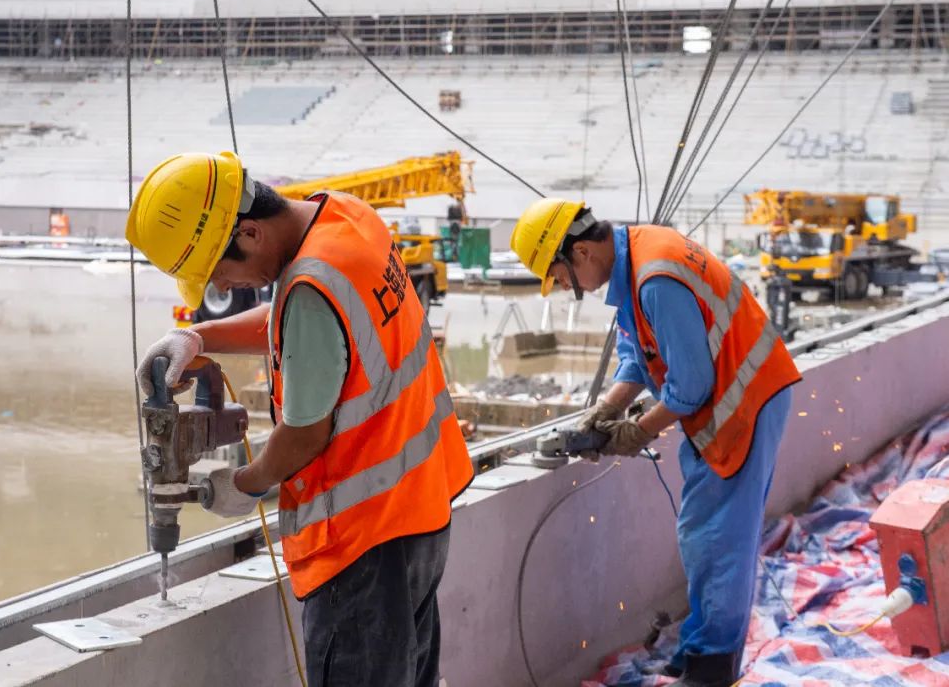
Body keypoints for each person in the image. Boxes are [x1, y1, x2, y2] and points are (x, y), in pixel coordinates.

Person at [126, 151, 473, 687]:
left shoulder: (311, 288)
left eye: (222, 271)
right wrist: (200, 336)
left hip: (364, 547)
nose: (228, 283)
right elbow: (296, 316)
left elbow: (307, 432)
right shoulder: (346, 218)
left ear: (249, 234)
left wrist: (245, 484)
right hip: (421, 510)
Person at [509, 198, 801, 687]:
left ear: (580, 253)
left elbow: (690, 385)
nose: (563, 287)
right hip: (727, 398)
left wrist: (636, 431)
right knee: (701, 533)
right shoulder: (633, 260)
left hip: (746, 400)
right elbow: (637, 352)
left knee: (718, 540)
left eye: (559, 277)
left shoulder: (656, 278)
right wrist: (608, 410)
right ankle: (700, 645)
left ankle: (714, 666)